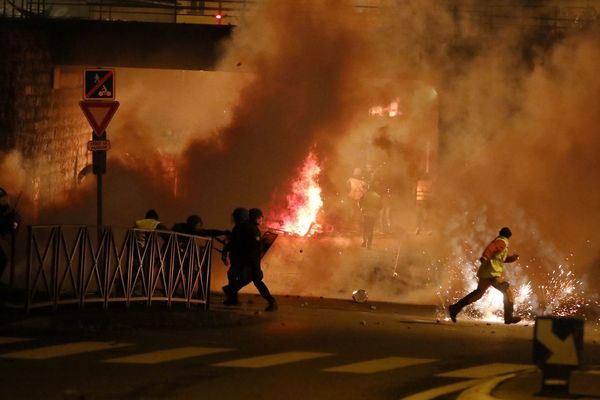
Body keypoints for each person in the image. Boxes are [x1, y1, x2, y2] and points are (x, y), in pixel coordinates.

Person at [448, 227, 522, 324]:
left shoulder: (499, 241)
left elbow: (499, 257)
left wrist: (511, 258)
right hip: (492, 273)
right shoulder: (502, 242)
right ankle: (508, 317)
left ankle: (455, 308)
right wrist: (485, 256)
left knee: (478, 294)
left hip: (486, 272)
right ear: (508, 236)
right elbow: (491, 248)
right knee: (508, 292)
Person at [224, 208, 277, 312]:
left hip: (243, 260)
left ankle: (231, 294)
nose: (262, 219)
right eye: (260, 217)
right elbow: (255, 248)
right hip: (249, 261)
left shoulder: (240, 228)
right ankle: (272, 302)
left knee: (246, 279)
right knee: (254, 279)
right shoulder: (250, 228)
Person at [0, 187, 21, 283]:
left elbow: (15, 215)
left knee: (2, 260)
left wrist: (14, 222)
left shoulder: (4, 208)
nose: (4, 202)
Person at [359, 184, 382, 249]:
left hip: (366, 213)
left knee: (365, 228)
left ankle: (364, 242)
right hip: (373, 215)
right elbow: (380, 206)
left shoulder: (365, 194)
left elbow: (360, 202)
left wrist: (361, 208)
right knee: (371, 229)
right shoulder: (378, 196)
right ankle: (369, 244)